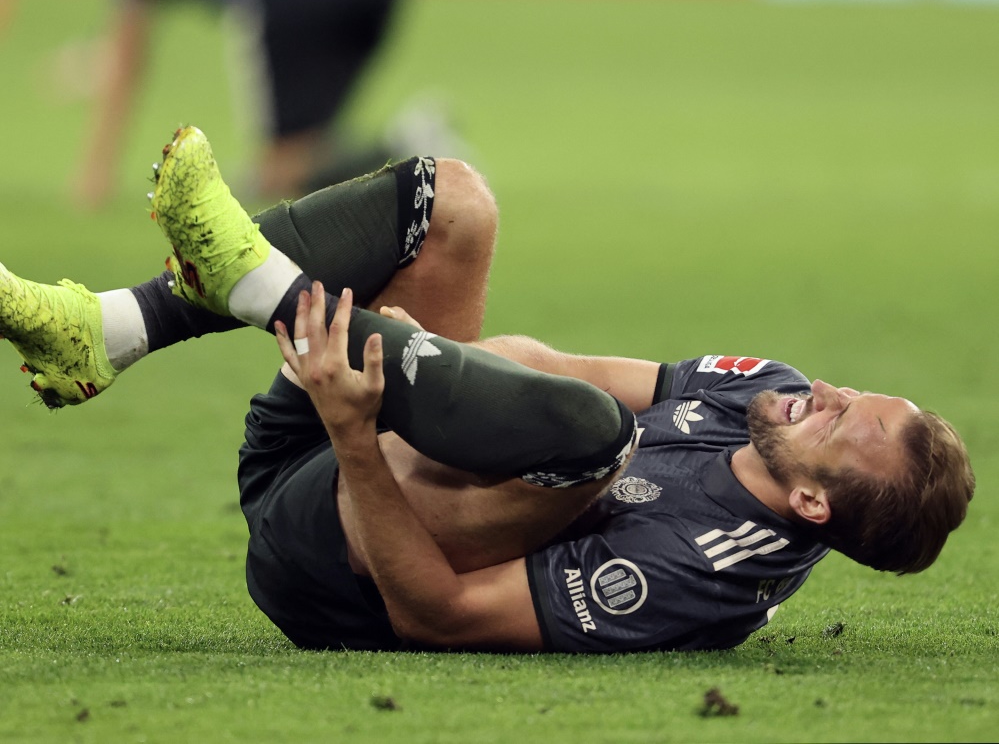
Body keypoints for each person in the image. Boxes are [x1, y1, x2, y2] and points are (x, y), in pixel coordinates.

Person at [0, 127, 975, 652]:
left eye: (846, 422)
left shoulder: (696, 582)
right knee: (455, 203)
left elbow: (437, 615)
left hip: (333, 560)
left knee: (597, 442)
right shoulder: (772, 392)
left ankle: (263, 288)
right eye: (858, 389)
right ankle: (109, 331)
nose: (830, 391)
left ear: (813, 501)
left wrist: (354, 437)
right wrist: (421, 363)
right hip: (361, 440)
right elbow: (540, 360)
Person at [70, 0, 404, 208]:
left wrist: (94, 176)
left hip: (290, 7)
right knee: (302, 159)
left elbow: (125, 59)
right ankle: (398, 163)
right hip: (374, 4)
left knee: (276, 179)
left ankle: (400, 149)